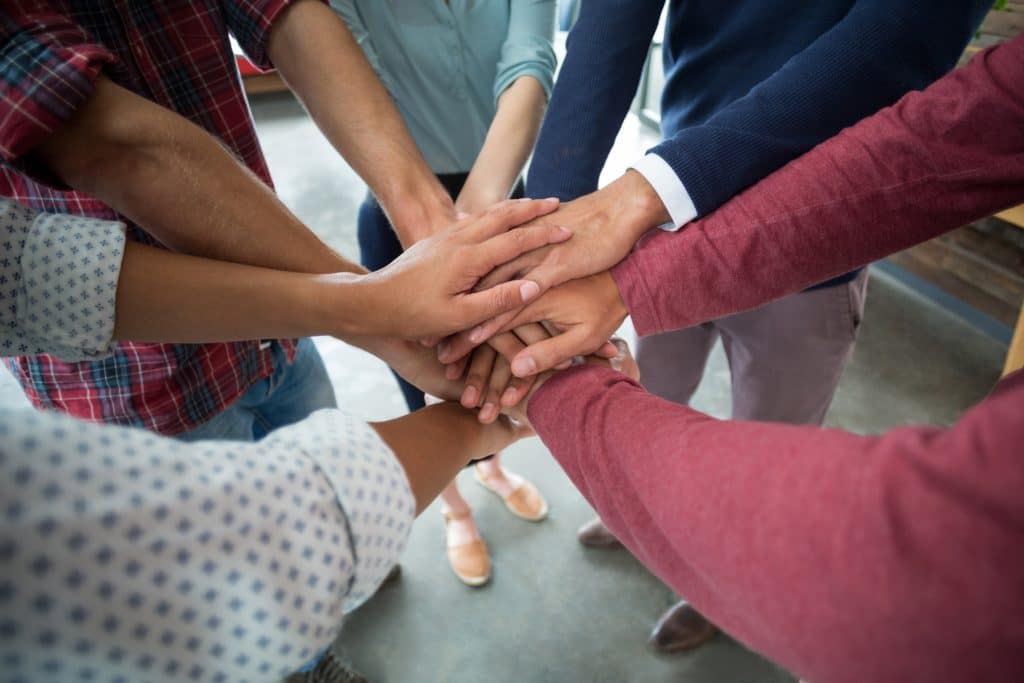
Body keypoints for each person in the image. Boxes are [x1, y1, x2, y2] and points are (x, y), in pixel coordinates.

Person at [441, 0, 991, 650]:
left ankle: (724, 596)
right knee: (651, 377)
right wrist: (554, 223)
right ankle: (635, 511)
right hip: (667, 211)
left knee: (770, 430)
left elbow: (905, 40)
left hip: (818, 230)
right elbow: (614, 24)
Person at [0, 196, 559, 681]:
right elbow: (257, 543)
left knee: (323, 443)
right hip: (144, 391)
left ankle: (349, 587)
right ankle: (311, 662)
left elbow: (37, 268)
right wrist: (469, 424)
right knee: (255, 597)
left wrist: (365, 311)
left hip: (276, 345)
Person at [0, 0, 537, 444]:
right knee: (249, 558)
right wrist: (373, 308)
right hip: (134, 383)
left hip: (280, 333)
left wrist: (426, 223)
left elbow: (283, 10)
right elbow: (109, 143)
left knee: (337, 520)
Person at [331, 0, 559, 586]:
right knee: (429, 373)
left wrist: (476, 223)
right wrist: (448, 235)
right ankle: (454, 506)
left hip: (500, 188)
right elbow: (357, 85)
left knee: (496, 364)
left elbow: (530, 60)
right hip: (399, 197)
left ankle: (492, 469)